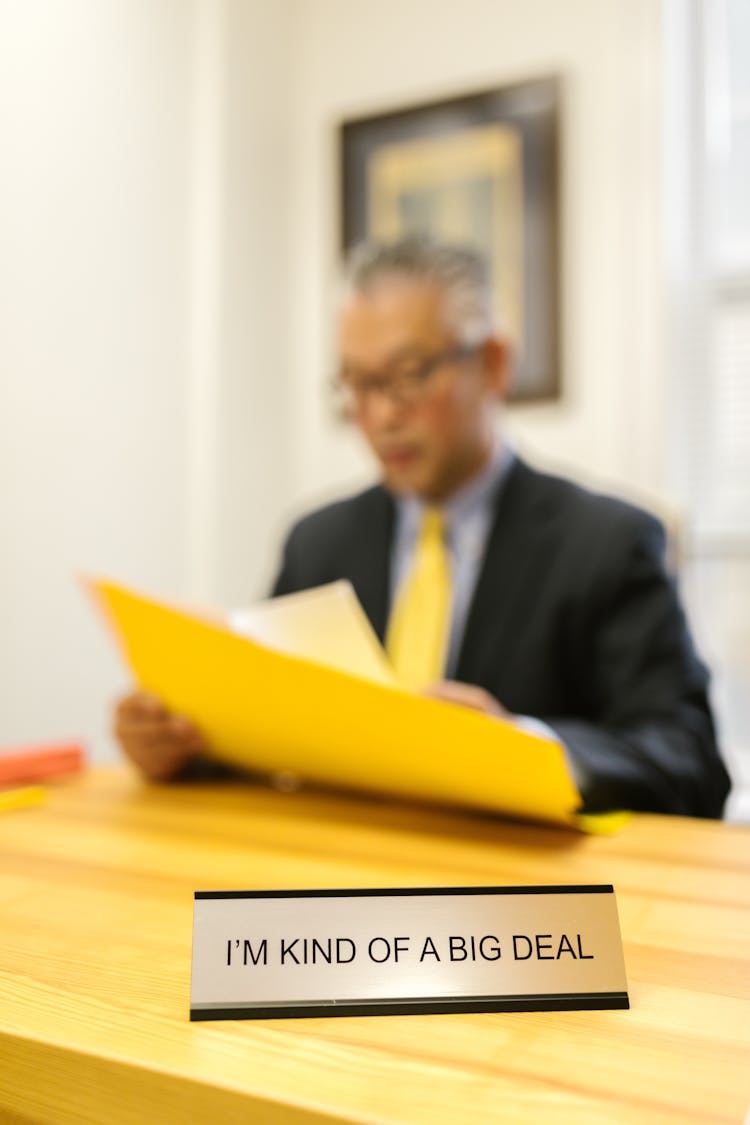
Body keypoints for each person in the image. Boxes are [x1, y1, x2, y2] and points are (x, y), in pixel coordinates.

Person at [115, 238, 731, 817]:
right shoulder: (317, 541)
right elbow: (271, 729)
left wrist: (522, 746)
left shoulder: (608, 543)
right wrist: (184, 746)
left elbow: (690, 762)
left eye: (409, 374)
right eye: (358, 384)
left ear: (492, 364)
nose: (382, 414)